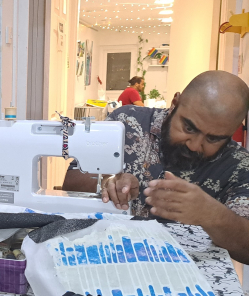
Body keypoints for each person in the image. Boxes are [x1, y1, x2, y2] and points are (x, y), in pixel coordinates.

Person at [63, 71, 249, 266]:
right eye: (189, 128)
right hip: (101, 260)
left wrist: (212, 214)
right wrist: (107, 182)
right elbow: (70, 184)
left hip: (186, 281)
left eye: (213, 139)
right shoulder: (126, 122)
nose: (194, 145)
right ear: (175, 104)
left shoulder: (238, 165)